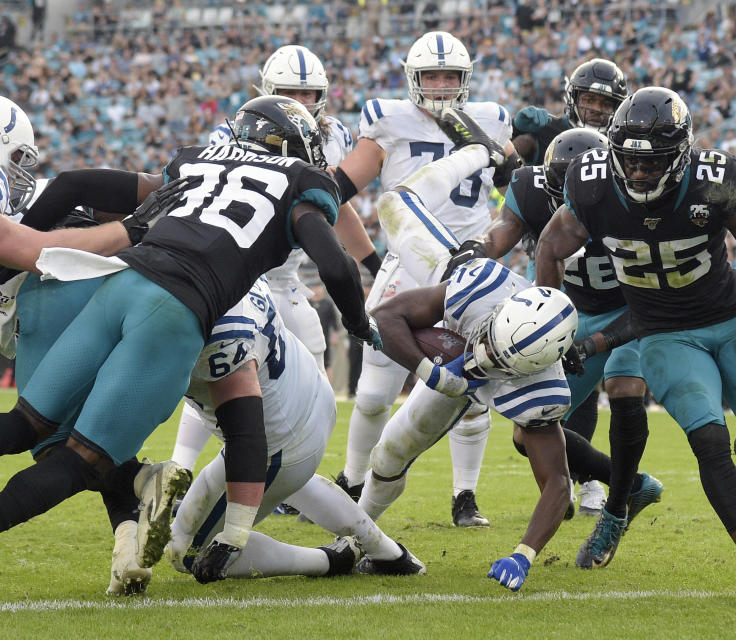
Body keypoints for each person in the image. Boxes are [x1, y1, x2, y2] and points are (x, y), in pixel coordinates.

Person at [0, 97, 379, 586]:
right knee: (77, 463)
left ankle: (132, 499)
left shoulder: (197, 160)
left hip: (120, 285)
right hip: (174, 314)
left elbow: (75, 183)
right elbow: (336, 267)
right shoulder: (301, 183)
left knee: (23, 427)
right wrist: (359, 323)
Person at [535, 87, 736, 600]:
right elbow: (549, 244)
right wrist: (553, 315)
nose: (636, 173)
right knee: (707, 438)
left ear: (680, 156)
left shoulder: (714, 181)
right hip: (663, 335)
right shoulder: (591, 187)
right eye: (628, 161)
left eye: (649, 162)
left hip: (729, 322)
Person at [442, 127, 662, 566]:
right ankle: (634, 484)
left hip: (629, 308)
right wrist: (476, 248)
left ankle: (614, 512)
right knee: (527, 431)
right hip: (570, 312)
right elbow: (503, 230)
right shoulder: (530, 187)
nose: (572, 197)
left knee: (624, 389)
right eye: (562, 185)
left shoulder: (631, 195)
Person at [333, 31, 521, 527]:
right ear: (412, 79)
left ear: (467, 79)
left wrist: (518, 159)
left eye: (450, 77)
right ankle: (351, 480)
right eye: (431, 76)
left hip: (471, 268)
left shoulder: (492, 118)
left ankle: (465, 496)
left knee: (474, 385)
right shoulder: (386, 118)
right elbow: (346, 182)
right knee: (373, 393)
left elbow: (511, 186)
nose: (440, 85)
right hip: (408, 264)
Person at [172, 45, 382, 489]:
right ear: (266, 92)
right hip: (242, 268)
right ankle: (183, 466)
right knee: (224, 367)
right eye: (288, 92)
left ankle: (287, 472)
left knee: (311, 366)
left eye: (307, 94)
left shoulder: (335, 134)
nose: (300, 103)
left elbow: (334, 205)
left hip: (287, 275)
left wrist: (371, 262)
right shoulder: (233, 133)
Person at [167, 278, 424, 586]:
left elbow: (248, 438)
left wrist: (235, 532)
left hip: (275, 443)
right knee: (293, 479)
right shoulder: (232, 266)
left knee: (186, 552)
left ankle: (329, 561)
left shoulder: (208, 326)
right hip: (309, 392)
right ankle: (390, 554)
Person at [511, 58, 627, 165]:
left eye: (606, 104)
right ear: (573, 99)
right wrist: (515, 129)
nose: (597, 109)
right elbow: (497, 155)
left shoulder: (622, 143)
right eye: (589, 100)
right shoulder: (546, 129)